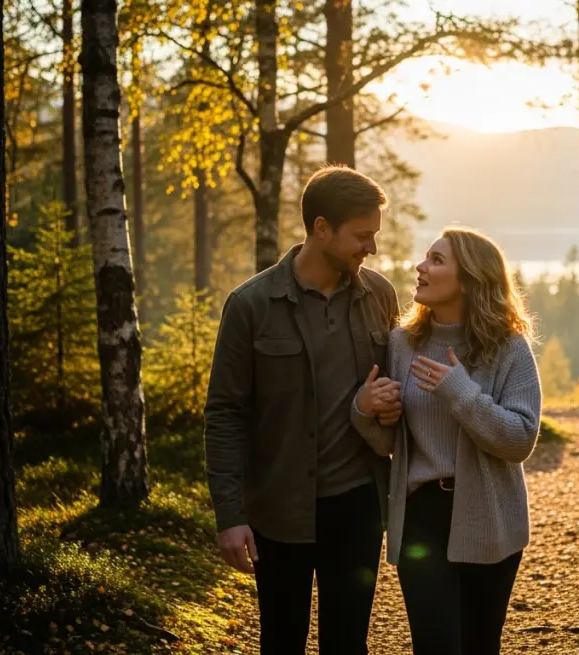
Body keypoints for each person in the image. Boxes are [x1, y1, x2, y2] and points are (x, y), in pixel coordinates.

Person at [203, 165, 400, 654]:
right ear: (321, 228)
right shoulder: (250, 305)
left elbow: (401, 389)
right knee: (281, 641)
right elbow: (225, 413)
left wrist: (385, 407)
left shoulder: (380, 296)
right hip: (278, 509)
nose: (372, 248)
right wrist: (230, 516)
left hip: (357, 506)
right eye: (362, 236)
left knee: (347, 644)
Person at [352, 227, 542, 655]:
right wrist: (365, 410)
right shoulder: (402, 344)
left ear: (470, 279)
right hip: (421, 517)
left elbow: (520, 439)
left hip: (490, 514)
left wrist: (461, 393)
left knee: (479, 644)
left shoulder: (509, 348)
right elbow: (389, 442)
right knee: (434, 644)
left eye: (436, 260)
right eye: (426, 257)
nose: (420, 267)